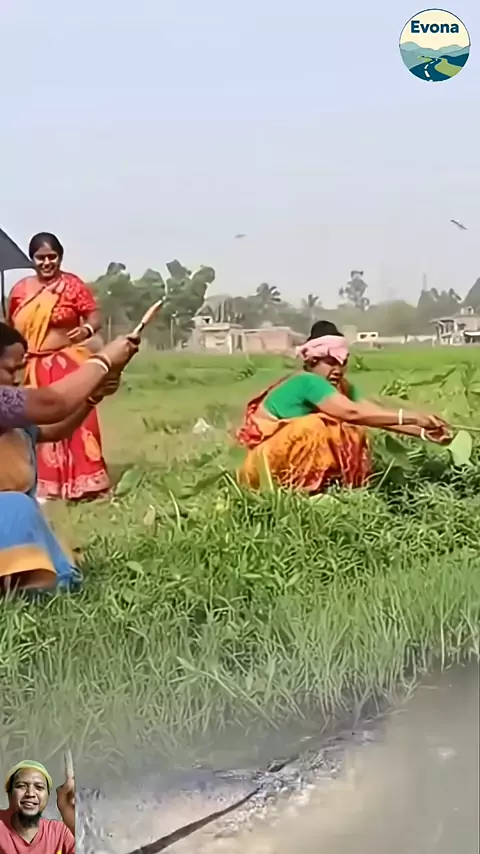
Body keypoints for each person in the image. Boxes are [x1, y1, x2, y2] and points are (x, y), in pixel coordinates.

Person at [237, 320, 451, 493]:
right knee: (315, 426)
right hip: (260, 469)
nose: (338, 370)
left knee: (354, 430)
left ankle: (335, 488)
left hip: (276, 464)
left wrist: (424, 431)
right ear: (312, 361)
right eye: (331, 362)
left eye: (342, 362)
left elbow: (371, 415)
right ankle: (302, 493)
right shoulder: (307, 381)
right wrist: (414, 417)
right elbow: (352, 412)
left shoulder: (341, 387)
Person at [0, 324, 138, 592]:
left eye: (20, 369)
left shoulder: (14, 420)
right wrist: (103, 360)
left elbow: (53, 429)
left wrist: (93, 396)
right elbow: (53, 405)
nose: (17, 379)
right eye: (9, 370)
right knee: (15, 507)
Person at [8, 232, 108, 501]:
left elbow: (94, 315)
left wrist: (86, 330)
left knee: (80, 419)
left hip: (68, 364)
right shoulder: (19, 291)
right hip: (32, 367)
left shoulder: (72, 285)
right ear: (32, 259)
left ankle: (88, 485)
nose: (47, 262)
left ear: (60, 257)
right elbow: (12, 329)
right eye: (40, 257)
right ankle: (47, 485)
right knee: (38, 422)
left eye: (52, 257)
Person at [0, 760, 74, 853]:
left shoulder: (60, 833)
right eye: (21, 786)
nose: (30, 793)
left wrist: (69, 814)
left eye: (39, 787)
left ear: (48, 796)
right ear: (9, 793)